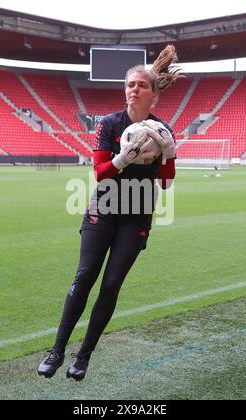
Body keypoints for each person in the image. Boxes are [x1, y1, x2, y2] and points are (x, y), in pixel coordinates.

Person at [38, 45, 182, 381]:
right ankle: (57, 350)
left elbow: (166, 184)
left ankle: (83, 355)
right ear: (125, 90)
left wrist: (169, 153)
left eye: (141, 85)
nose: (134, 89)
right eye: (130, 84)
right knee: (84, 276)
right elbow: (99, 172)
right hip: (102, 209)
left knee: (112, 284)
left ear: (153, 95)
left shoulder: (163, 131)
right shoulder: (110, 123)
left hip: (137, 215)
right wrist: (123, 158)